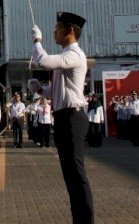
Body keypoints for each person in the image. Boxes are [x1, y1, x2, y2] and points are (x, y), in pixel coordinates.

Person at [28, 11, 94, 224]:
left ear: (70, 31)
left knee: (76, 173)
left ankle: (85, 220)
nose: (54, 33)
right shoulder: (66, 58)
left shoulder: (73, 55)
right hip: (64, 117)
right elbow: (56, 92)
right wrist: (40, 89)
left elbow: (43, 61)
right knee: (70, 175)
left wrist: (37, 40)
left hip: (73, 118)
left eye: (57, 30)